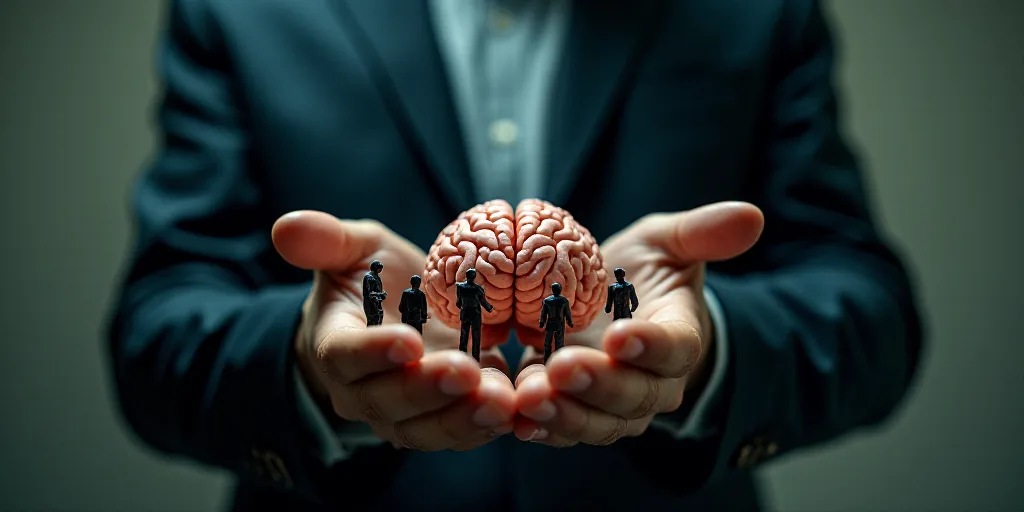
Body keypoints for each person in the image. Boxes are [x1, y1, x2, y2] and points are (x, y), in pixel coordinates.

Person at [105, 0, 925, 510]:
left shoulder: (753, 10)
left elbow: (868, 309)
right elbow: (160, 328)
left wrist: (702, 350)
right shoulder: (242, 10)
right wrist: (313, 368)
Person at [455, 268, 494, 362]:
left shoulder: (459, 287)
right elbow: (483, 302)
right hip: (475, 314)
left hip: (465, 313)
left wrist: (462, 307)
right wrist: (490, 308)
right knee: (476, 336)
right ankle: (475, 358)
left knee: (464, 334)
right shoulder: (478, 289)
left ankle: (462, 355)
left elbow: (458, 302)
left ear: (466, 276)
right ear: (474, 277)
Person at [539, 282, 574, 362]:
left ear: (552, 290)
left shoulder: (547, 300)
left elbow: (543, 313)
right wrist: (569, 322)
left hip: (550, 323)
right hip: (560, 323)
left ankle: (547, 360)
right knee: (559, 342)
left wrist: (542, 322)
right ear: (560, 290)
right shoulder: (564, 300)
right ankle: (559, 361)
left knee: (548, 342)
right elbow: (567, 313)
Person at [362, 260, 387, 326]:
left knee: (379, 318)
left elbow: (379, 290)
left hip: (377, 302)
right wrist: (380, 294)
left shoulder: (377, 277)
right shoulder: (368, 277)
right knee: (373, 320)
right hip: (370, 303)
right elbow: (368, 293)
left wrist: (382, 295)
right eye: (379, 268)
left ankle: (377, 333)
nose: (380, 270)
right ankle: (370, 334)